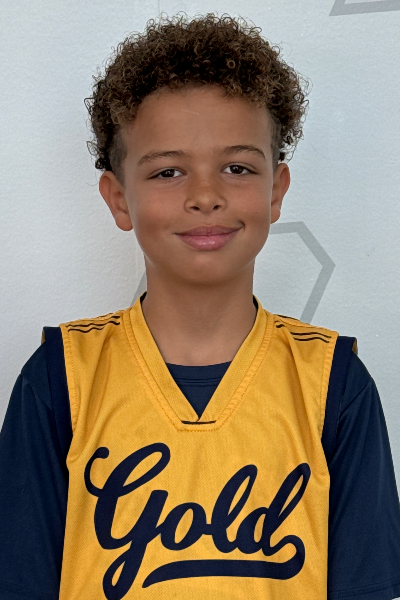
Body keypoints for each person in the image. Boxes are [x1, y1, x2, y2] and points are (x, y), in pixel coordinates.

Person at [0, 12, 400, 600]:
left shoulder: (333, 386)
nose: (205, 196)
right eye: (168, 171)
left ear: (276, 190)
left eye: (237, 168)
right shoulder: (60, 380)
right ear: (119, 198)